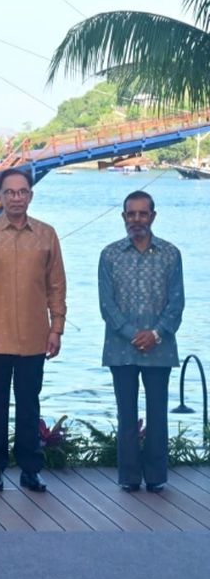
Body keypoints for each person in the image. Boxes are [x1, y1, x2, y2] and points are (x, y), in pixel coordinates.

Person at [0, 167, 66, 494]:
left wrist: (57, 327)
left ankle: (30, 469)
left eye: (22, 192)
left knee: (29, 404)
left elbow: (56, 285)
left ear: (31, 195)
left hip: (35, 338)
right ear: (0, 195)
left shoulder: (47, 234)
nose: (16, 198)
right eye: (10, 192)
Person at [98, 190, 184, 493]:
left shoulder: (171, 254)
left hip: (160, 348)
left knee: (158, 413)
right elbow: (106, 305)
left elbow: (177, 303)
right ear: (123, 218)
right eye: (131, 214)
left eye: (142, 213)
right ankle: (130, 478)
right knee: (126, 413)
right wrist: (132, 333)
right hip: (121, 349)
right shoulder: (109, 255)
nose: (136, 219)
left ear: (153, 216)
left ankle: (157, 477)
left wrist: (156, 333)